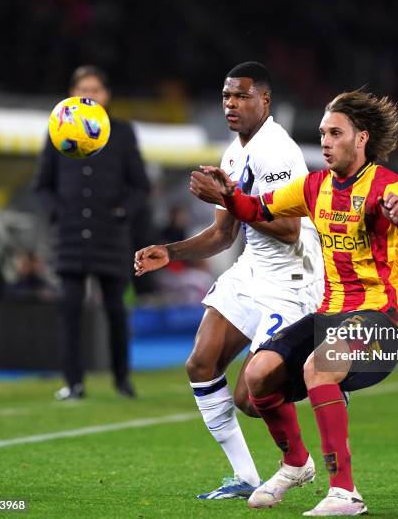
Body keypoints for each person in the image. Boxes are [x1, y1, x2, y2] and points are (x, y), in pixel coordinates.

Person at [195, 89, 398, 515]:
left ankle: (345, 493)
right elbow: (258, 209)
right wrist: (228, 196)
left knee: (317, 367)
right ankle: (294, 463)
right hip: (330, 317)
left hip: (382, 320)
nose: (325, 141)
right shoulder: (314, 186)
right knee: (258, 375)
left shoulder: (388, 185)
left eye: (335, 133)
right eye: (323, 133)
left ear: (361, 138)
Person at [134, 62, 323, 499]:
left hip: (292, 278)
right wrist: (172, 251)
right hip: (252, 270)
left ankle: (307, 404)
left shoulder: (277, 150)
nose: (231, 104)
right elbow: (223, 233)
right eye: (226, 97)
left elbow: (289, 229)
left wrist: (229, 198)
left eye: (241, 96)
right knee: (201, 363)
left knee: (250, 398)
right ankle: (247, 476)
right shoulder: (234, 152)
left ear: (265, 100)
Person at [34, 65, 151, 401]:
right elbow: (41, 185)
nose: (89, 96)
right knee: (69, 309)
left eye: (95, 89)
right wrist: (57, 211)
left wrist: (123, 212)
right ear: (71, 94)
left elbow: (140, 186)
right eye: (82, 89)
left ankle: (122, 381)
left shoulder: (122, 132)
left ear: (106, 95)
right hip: (70, 235)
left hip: (110, 236)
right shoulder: (57, 133)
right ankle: (74, 383)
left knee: (115, 310)